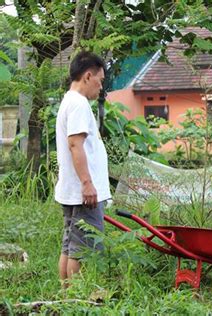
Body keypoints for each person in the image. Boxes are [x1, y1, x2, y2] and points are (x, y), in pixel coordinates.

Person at [55, 50, 111, 287]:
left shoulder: (69, 101)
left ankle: (67, 298)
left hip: (74, 190)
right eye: (100, 81)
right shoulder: (78, 104)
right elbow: (75, 144)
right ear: (88, 76)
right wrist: (88, 184)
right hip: (83, 192)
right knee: (82, 249)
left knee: (70, 245)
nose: (100, 88)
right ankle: (78, 299)